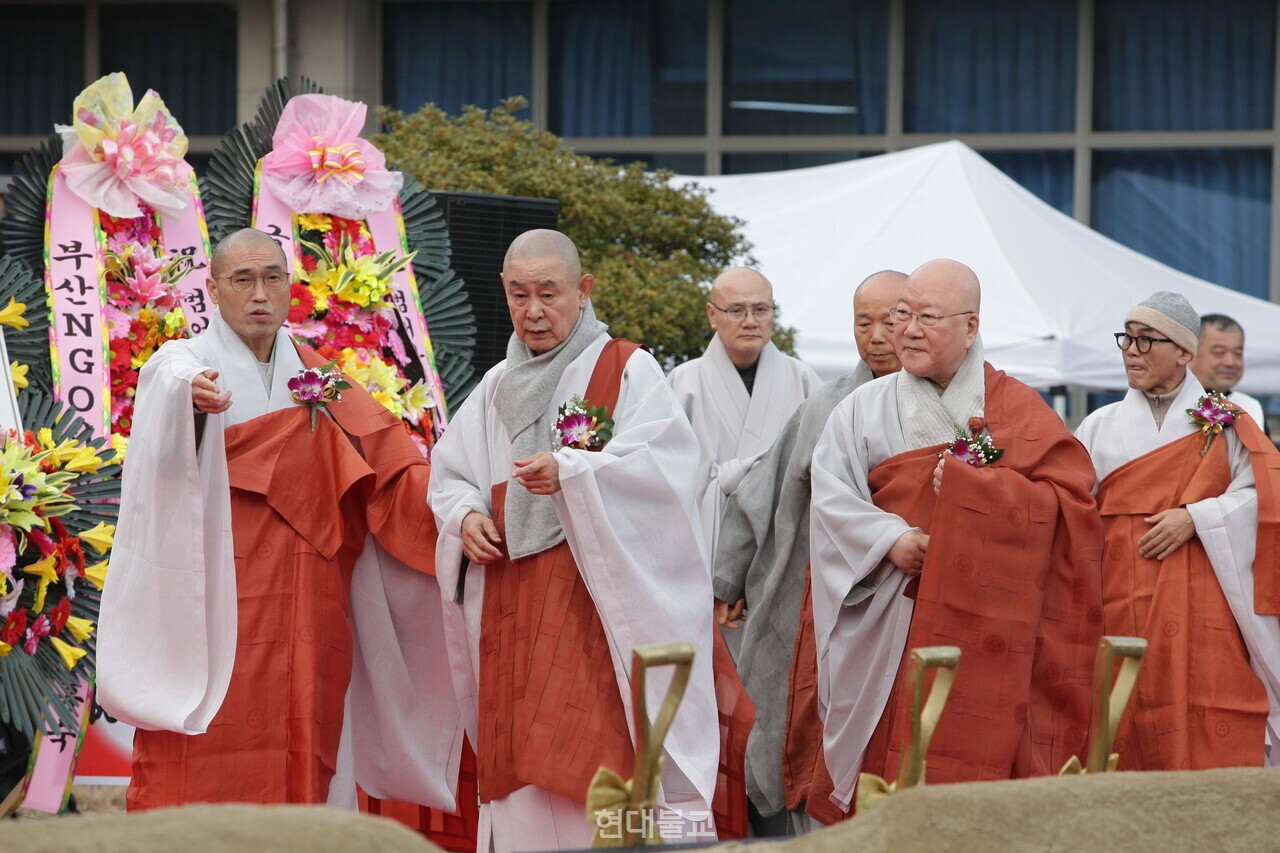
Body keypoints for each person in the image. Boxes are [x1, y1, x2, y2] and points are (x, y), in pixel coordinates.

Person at [97, 228, 459, 811]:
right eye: (242, 279)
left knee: (306, 739)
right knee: (211, 742)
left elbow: (388, 459)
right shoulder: (190, 361)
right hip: (218, 597)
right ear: (213, 289)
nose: (259, 292)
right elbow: (167, 376)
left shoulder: (317, 377)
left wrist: (462, 512)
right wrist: (191, 395)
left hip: (308, 603)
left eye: (272, 277)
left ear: (291, 287)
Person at [428, 230, 730, 852]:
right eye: (519, 295)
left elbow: (668, 469)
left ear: (583, 289)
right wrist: (464, 515)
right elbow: (449, 470)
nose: (534, 311)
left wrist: (575, 474)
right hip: (510, 599)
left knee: (597, 753)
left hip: (594, 602)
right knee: (520, 758)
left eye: (549, 293)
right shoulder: (495, 385)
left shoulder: (627, 367)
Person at [808, 259, 1103, 818]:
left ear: (971, 327)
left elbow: (1073, 507)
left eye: (928, 317)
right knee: (889, 766)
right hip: (892, 611)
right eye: (904, 315)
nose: (909, 330)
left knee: (981, 770)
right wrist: (888, 539)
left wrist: (984, 497)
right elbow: (830, 499)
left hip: (990, 624)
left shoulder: (1018, 408)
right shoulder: (861, 409)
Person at [713, 270, 905, 834]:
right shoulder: (825, 405)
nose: (876, 336)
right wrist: (727, 580)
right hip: (813, 598)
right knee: (805, 727)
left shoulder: (942, 410)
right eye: (862, 322)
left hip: (903, 601)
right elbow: (760, 492)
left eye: (890, 320)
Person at [1076, 292, 1280, 770]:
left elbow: (1266, 496)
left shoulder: (1228, 424)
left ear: (1184, 353)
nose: (1131, 350)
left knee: (1208, 705)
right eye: (1126, 338)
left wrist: (1198, 517)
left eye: (1147, 340)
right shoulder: (1098, 426)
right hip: (1117, 591)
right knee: (1122, 709)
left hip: (1202, 596)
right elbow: (1067, 506)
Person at [669, 268, 821, 563]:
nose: (750, 322)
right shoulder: (682, 383)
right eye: (736, 310)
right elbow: (665, 479)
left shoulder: (802, 379)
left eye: (761, 310)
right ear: (712, 315)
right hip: (703, 540)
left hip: (782, 544)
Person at [1190, 313, 1265, 425]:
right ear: (1190, 353)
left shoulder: (1251, 407)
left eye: (1237, 353)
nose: (1230, 362)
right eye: (1219, 352)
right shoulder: (1170, 403)